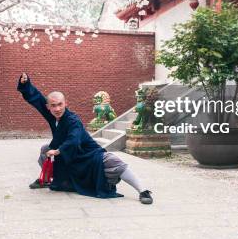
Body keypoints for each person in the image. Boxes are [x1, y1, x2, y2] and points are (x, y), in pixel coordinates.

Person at [17, 73, 153, 204]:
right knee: (45, 149)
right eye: (53, 105)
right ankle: (45, 180)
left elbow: (74, 139)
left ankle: (143, 191)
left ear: (65, 103)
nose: (57, 109)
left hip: (87, 153)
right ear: (48, 107)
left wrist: (58, 151)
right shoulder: (51, 114)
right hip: (69, 154)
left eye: (60, 104)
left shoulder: (73, 120)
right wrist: (26, 84)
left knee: (114, 161)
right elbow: (38, 99)